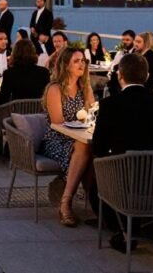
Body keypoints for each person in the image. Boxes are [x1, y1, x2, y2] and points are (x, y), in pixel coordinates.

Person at [92, 53, 153, 252]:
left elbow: (99, 148)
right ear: (147, 76)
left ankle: (125, 231)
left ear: (120, 76)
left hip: (125, 182)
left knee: (97, 182)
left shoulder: (110, 105)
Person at [43, 48, 96, 227]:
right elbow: (57, 123)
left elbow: (93, 114)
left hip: (79, 137)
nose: (82, 64)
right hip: (57, 139)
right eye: (76, 61)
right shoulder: (55, 89)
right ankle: (66, 203)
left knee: (96, 151)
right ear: (66, 65)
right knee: (84, 147)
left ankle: (97, 204)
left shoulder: (85, 87)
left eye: (83, 61)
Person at [0, 39, 49, 105]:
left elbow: (3, 100)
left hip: (17, 111)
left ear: (15, 54)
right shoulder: (44, 72)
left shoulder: (9, 74)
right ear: (33, 53)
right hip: (39, 110)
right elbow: (48, 97)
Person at [106, 29, 137, 95]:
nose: (124, 42)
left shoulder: (136, 54)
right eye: (123, 40)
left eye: (127, 40)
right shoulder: (120, 52)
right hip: (117, 78)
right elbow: (113, 65)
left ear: (133, 41)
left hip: (129, 80)